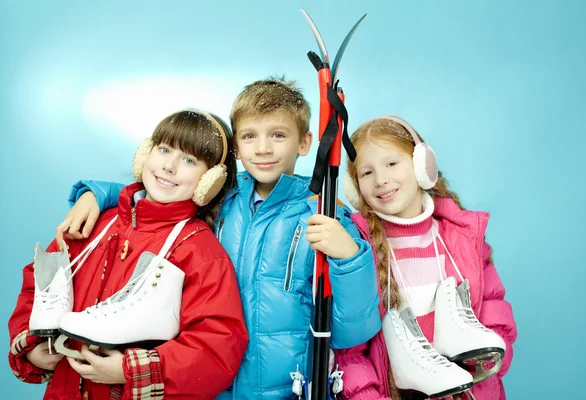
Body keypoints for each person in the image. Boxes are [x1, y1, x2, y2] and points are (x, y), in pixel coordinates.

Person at [54, 78, 382, 399]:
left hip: (283, 389)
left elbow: (354, 331)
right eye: (250, 136)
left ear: (305, 142)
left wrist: (350, 259)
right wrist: (97, 195)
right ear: (236, 147)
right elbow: (159, 196)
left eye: (278, 135)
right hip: (208, 385)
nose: (264, 148)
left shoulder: (326, 214)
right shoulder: (218, 195)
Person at [9, 110, 248, 399]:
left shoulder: (200, 252)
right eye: (164, 149)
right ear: (145, 153)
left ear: (210, 180)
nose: (169, 166)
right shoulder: (92, 223)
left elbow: (215, 347)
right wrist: (33, 347)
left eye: (189, 160)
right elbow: (38, 288)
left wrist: (127, 370)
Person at [333, 116, 517, 400]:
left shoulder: (461, 238)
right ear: (354, 185)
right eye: (366, 173)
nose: (381, 180)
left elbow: (495, 313)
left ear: (422, 166)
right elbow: (350, 352)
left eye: (392, 164)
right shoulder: (358, 249)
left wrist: (483, 367)